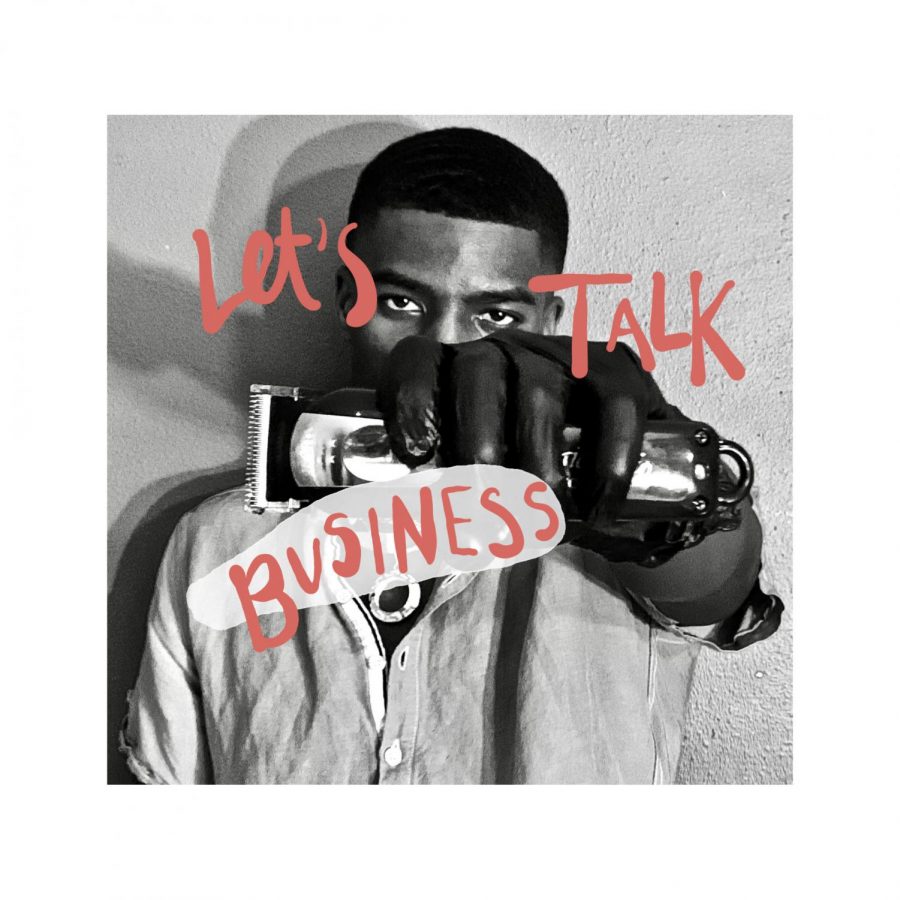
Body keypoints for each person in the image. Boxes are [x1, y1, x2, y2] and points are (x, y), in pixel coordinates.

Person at [121, 126, 782, 784]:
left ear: (549, 320)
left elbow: (720, 589)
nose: (441, 347)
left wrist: (656, 486)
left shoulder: (622, 515)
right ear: (348, 298)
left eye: (495, 317)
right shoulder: (215, 546)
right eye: (401, 302)